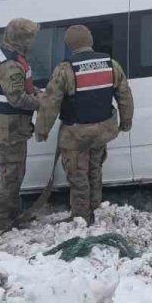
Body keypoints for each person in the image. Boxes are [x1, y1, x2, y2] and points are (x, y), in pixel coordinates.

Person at [35, 24, 134, 224]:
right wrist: (126, 121)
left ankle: (81, 217)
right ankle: (95, 209)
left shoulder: (65, 70)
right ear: (90, 40)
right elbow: (125, 95)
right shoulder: (110, 64)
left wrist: (42, 130)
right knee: (94, 169)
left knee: (78, 175)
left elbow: (50, 103)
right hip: (102, 130)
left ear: (69, 45)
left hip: (76, 134)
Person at [0, 18, 44, 237]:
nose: (33, 42)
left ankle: (12, 214)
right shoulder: (11, 65)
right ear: (22, 39)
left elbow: (21, 88)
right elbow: (17, 98)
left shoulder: (9, 55)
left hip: (8, 127)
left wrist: (36, 91)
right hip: (7, 129)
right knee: (11, 176)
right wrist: (42, 102)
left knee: (16, 173)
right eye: (31, 38)